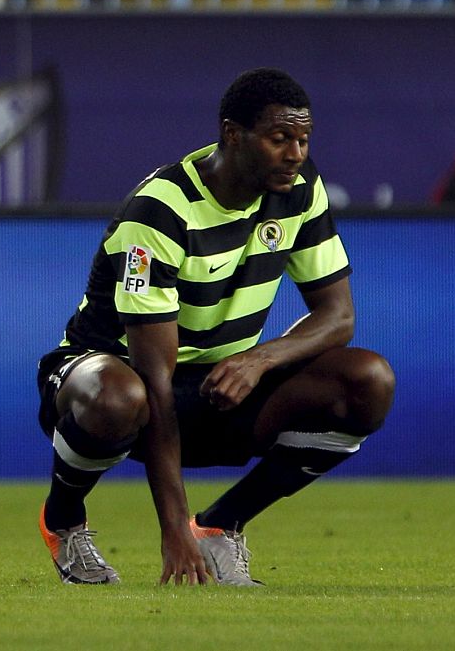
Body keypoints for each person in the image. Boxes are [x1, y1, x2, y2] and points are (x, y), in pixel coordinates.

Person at [35, 68, 394, 586]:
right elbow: (157, 379)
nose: (295, 153)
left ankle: (222, 527)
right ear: (233, 134)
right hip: (113, 383)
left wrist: (258, 359)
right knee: (121, 396)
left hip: (216, 383)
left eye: (303, 139)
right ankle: (63, 520)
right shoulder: (161, 211)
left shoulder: (298, 188)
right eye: (279, 139)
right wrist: (172, 530)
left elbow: (338, 316)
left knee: (368, 381)